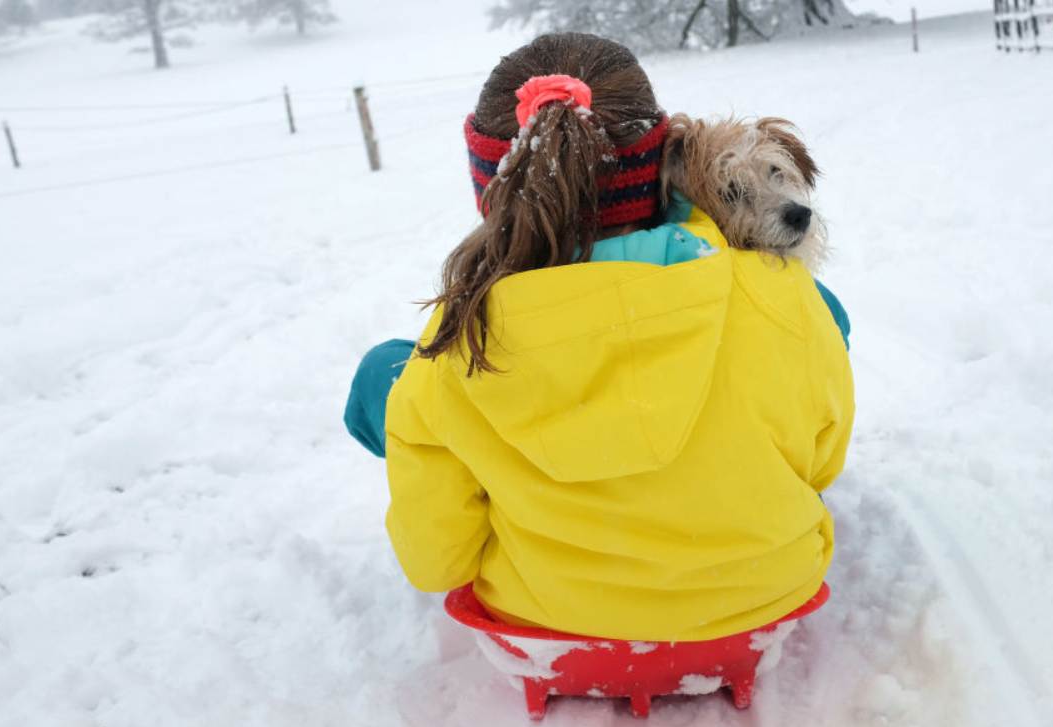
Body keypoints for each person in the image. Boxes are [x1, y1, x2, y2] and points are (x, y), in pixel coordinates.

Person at [345, 33, 855, 642]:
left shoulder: (459, 343)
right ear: (658, 168)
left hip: (543, 617)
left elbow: (437, 565)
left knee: (391, 376)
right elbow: (820, 469)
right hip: (765, 599)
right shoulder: (783, 298)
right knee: (820, 323)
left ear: (493, 192)